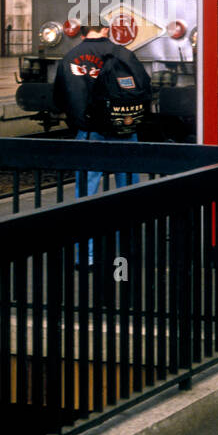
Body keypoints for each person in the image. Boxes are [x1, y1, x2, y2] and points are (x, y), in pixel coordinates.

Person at [53, 23, 151, 263]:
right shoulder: (124, 54)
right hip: (125, 131)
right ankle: (127, 252)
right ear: (106, 29)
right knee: (128, 193)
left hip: (89, 133)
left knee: (86, 196)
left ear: (83, 30)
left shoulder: (70, 57)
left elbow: (58, 99)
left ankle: (86, 256)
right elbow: (146, 87)